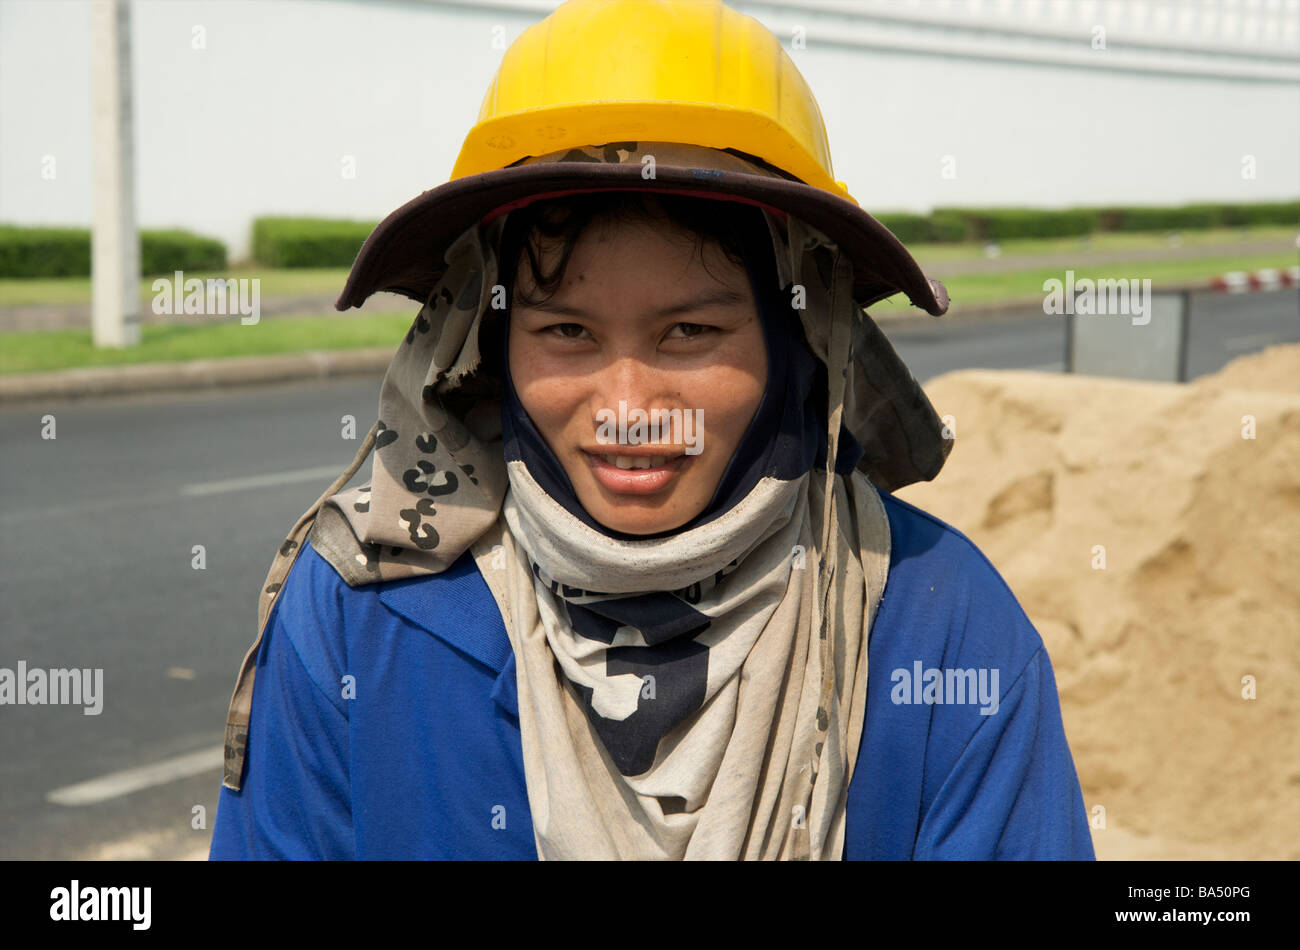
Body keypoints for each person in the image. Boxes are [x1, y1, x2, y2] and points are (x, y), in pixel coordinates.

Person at [209, 0, 1094, 861]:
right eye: (566, 333)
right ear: (487, 335)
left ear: (801, 339)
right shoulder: (360, 614)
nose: (628, 405)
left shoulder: (940, 625)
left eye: (690, 334)